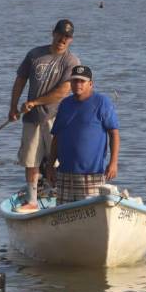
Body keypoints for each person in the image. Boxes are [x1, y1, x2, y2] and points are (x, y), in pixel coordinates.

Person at [9, 19, 80, 212]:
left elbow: (63, 91)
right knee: (31, 160)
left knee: (57, 160)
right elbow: (20, 80)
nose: (62, 40)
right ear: (53, 33)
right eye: (60, 35)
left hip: (56, 118)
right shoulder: (35, 55)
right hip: (31, 118)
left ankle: (61, 197)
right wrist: (13, 107)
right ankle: (32, 200)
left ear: (71, 40)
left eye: (67, 37)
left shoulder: (71, 61)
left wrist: (36, 102)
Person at [46, 65, 119, 205]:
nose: (77, 84)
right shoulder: (65, 104)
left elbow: (114, 134)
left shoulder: (102, 102)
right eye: (74, 81)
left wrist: (113, 162)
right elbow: (57, 137)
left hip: (92, 174)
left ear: (90, 83)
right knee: (65, 218)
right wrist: (50, 166)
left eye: (82, 81)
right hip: (65, 174)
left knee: (93, 215)